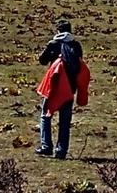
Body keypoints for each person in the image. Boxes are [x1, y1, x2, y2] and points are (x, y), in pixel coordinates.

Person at [35, 18, 90, 161]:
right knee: (65, 121)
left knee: (45, 115)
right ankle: (61, 151)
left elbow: (42, 60)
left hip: (54, 87)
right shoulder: (76, 45)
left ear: (57, 30)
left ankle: (46, 146)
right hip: (70, 88)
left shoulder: (53, 44)